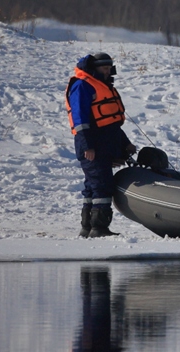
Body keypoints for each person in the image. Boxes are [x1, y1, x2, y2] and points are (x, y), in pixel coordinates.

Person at [65, 52, 136, 237]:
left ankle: (87, 227)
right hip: (92, 145)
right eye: (105, 68)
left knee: (92, 185)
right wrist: (87, 146)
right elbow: (79, 120)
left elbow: (110, 124)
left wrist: (125, 144)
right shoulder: (82, 86)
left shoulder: (102, 86)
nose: (108, 72)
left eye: (109, 68)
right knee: (101, 185)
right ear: (94, 69)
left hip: (105, 144)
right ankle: (99, 228)